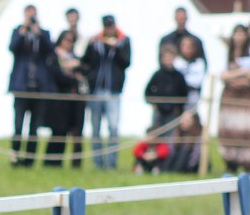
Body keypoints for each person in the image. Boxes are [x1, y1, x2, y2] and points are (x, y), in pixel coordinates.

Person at [7, 4, 55, 167]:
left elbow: (51, 50)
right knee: (18, 125)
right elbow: (12, 47)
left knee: (34, 127)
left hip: (39, 87)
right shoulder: (18, 31)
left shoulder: (44, 33)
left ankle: (29, 159)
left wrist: (38, 32)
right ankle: (15, 157)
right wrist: (23, 31)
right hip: (21, 86)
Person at [82, 15, 132, 170]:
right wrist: (89, 45)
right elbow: (86, 62)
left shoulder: (124, 41)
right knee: (95, 128)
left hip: (113, 91)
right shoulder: (96, 41)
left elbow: (127, 62)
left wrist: (116, 48)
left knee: (113, 128)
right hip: (95, 91)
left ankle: (111, 163)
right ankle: (98, 163)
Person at [218, 24, 250, 173]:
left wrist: (235, 74)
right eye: (236, 33)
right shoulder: (227, 51)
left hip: (246, 97)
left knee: (246, 130)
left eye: (242, 33)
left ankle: (247, 164)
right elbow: (222, 74)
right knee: (229, 129)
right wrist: (242, 73)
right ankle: (230, 164)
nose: (239, 37)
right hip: (230, 96)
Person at [44, 29, 86, 167]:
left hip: (74, 100)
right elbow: (57, 76)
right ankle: (52, 162)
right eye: (67, 40)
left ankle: (74, 163)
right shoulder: (54, 56)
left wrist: (75, 69)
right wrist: (74, 78)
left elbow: (85, 70)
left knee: (74, 131)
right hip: (59, 100)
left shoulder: (75, 57)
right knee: (58, 131)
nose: (70, 43)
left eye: (72, 40)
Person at [144, 44, 188, 132]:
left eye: (170, 57)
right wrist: (153, 103)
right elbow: (147, 91)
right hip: (159, 111)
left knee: (170, 135)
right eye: (166, 57)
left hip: (172, 112)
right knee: (156, 134)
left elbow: (184, 93)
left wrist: (178, 108)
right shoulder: (158, 74)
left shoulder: (179, 76)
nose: (168, 60)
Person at [172, 35, 207, 111]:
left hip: (192, 94)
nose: (188, 49)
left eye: (190, 46)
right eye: (185, 46)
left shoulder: (199, 63)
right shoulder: (176, 62)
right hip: (177, 96)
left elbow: (197, 81)